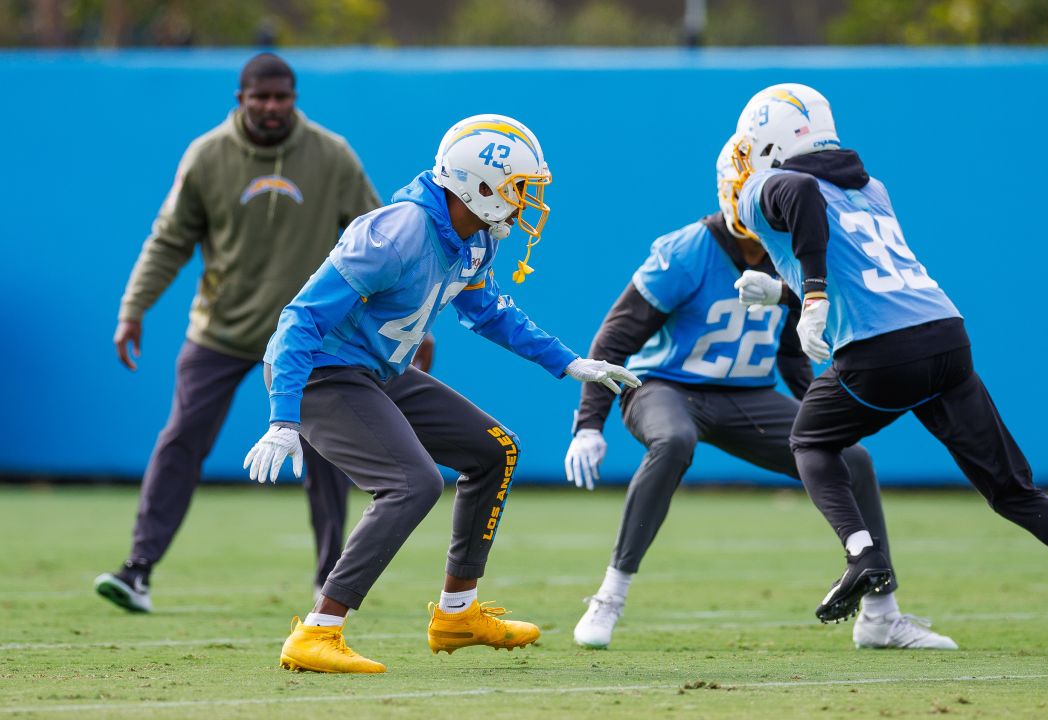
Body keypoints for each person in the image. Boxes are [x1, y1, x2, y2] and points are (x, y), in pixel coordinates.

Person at [726, 83, 1048, 654]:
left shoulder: (771, 184)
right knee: (1015, 491)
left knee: (810, 441)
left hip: (881, 352)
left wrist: (810, 296)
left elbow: (799, 196)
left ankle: (863, 552)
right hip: (944, 338)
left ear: (773, 139)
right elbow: (861, 269)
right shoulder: (872, 188)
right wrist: (789, 294)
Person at [244, 114, 640, 673]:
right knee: (411, 484)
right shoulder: (397, 234)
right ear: (478, 186)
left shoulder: (474, 234)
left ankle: (457, 612)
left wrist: (569, 361)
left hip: (375, 370)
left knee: (494, 449)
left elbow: (487, 313)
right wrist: (283, 418)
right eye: (517, 188)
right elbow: (299, 321)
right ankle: (318, 631)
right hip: (322, 372)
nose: (526, 201)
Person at [564, 139, 956, 651]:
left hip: (747, 396)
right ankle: (610, 596)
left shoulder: (795, 251)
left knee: (853, 460)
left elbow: (791, 352)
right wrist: (589, 422)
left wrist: (825, 411)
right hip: (665, 388)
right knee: (675, 440)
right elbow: (617, 335)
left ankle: (881, 615)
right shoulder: (687, 250)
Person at [95, 53, 380, 613]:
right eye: (260, 98)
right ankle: (138, 571)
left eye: (282, 98)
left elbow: (377, 242)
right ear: (240, 99)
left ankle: (332, 581)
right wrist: (134, 308)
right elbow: (169, 240)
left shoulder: (332, 155)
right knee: (181, 440)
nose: (272, 108)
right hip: (221, 330)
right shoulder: (207, 156)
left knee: (326, 455)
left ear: (294, 99)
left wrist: (404, 323)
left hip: (312, 334)